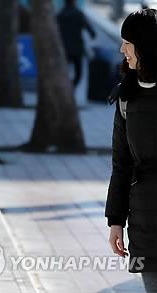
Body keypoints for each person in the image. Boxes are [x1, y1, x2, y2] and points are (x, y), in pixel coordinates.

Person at [105, 8, 157, 293]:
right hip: (145, 224)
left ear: (146, 46)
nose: (122, 48)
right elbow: (121, 163)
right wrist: (115, 220)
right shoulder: (127, 96)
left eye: (128, 41)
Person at [57, 0, 96, 87]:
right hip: (77, 49)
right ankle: (72, 86)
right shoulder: (79, 14)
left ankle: (65, 87)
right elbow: (91, 31)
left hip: (64, 49)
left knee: (63, 71)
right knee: (78, 73)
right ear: (74, 2)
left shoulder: (60, 15)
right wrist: (92, 35)